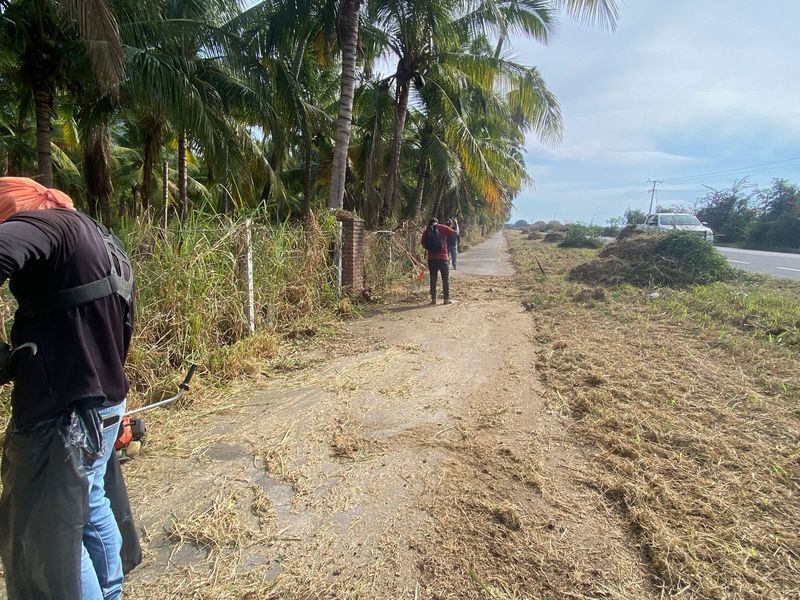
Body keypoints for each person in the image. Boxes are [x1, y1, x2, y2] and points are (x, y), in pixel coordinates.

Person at [0, 177, 140, 600]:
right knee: (91, 505)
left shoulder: (47, 225)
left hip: (67, 413)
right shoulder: (95, 236)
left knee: (56, 533)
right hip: (105, 403)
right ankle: (110, 592)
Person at [421, 218, 457, 305]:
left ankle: (433, 299)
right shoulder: (443, 227)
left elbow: (423, 245)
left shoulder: (426, 231)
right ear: (437, 222)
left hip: (431, 259)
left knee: (433, 279)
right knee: (445, 279)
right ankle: (446, 299)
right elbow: (455, 233)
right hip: (443, 258)